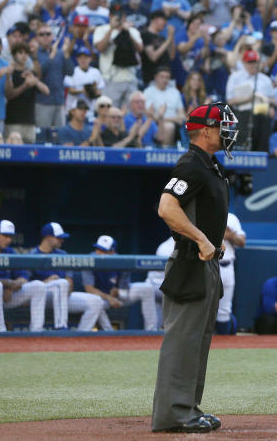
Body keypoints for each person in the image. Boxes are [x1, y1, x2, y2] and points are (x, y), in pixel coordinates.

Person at [152, 102, 239, 434]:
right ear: (205, 131)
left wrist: (212, 242)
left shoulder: (210, 166)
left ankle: (188, 408)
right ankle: (174, 414)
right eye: (222, 126)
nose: (228, 133)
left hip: (207, 264)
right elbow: (166, 206)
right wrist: (202, 239)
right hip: (190, 263)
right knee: (183, 341)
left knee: (198, 342)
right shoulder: (191, 164)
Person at [29, 222, 105, 331]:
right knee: (61, 283)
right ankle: (61, 328)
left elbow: (69, 282)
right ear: (48, 237)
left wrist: (65, 290)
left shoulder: (63, 255)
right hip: (42, 297)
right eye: (59, 238)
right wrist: (46, 282)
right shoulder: (32, 255)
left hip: (63, 296)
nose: (62, 240)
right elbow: (26, 284)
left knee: (96, 301)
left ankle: (80, 336)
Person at [81, 235, 158, 331]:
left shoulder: (121, 261)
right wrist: (108, 297)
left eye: (103, 251)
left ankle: (151, 331)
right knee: (97, 302)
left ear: (112, 252)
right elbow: (89, 289)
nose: (99, 253)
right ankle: (109, 333)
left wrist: (118, 292)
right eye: (98, 249)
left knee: (147, 288)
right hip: (100, 298)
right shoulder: (89, 260)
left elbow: (124, 292)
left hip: (116, 296)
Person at [0, 220, 46, 333]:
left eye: (10, 236)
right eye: (5, 236)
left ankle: (37, 330)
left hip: (8, 296)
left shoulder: (10, 252)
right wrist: (7, 284)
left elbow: (23, 277)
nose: (9, 240)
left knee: (38, 286)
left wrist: (13, 286)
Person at [215, 213, 246, 335]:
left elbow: (242, 242)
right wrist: (222, 234)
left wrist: (230, 235)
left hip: (228, 265)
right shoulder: (204, 213)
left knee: (224, 310)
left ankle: (223, 344)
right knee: (205, 307)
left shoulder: (231, 218)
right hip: (211, 264)